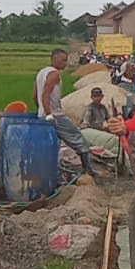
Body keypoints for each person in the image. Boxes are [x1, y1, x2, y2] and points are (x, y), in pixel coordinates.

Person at [35, 48, 95, 176]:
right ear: (54, 59)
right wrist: (49, 114)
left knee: (52, 144)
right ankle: (87, 170)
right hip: (54, 115)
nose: (65, 63)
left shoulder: (41, 73)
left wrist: (41, 111)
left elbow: (35, 96)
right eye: (63, 60)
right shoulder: (54, 74)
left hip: (43, 115)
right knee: (79, 138)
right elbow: (45, 94)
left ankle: (51, 170)